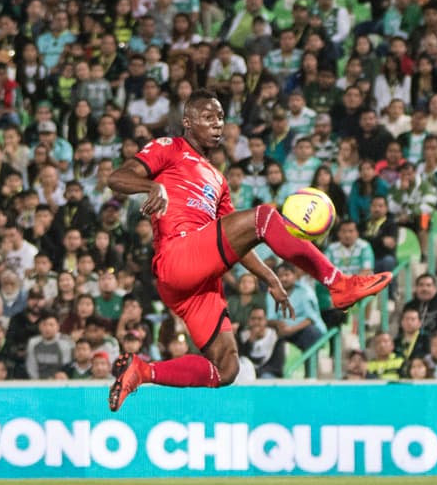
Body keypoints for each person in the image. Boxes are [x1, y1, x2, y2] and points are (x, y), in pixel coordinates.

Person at [106, 91, 391, 410]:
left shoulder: (218, 180)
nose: (217, 125)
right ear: (187, 122)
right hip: (178, 256)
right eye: (208, 117)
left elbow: (234, 240)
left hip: (198, 281)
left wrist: (269, 277)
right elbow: (117, 177)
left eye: (221, 118)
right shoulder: (169, 148)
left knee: (227, 368)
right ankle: (337, 284)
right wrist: (151, 185)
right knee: (265, 215)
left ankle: (143, 370)